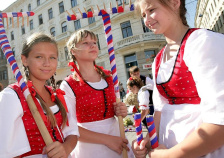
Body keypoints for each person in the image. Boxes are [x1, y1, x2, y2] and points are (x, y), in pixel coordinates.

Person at [132, 0, 224, 157]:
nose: (146, 20)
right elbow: (160, 109)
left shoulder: (203, 42)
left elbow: (220, 120)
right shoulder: (158, 59)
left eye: (152, 10)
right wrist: (149, 139)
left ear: (174, 3)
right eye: (143, 15)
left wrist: (171, 155)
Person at [0, 33, 79, 158]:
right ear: (25, 60)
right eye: (39, 57)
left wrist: (65, 148)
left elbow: (72, 132)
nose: (47, 63)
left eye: (52, 57)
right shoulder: (11, 97)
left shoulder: (57, 95)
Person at [60, 29, 134, 158]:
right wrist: (108, 140)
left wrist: (120, 110)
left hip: (117, 135)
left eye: (94, 42)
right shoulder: (68, 85)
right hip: (89, 146)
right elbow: (68, 127)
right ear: (73, 51)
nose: (93, 45)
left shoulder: (109, 77)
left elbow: (114, 110)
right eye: (85, 43)